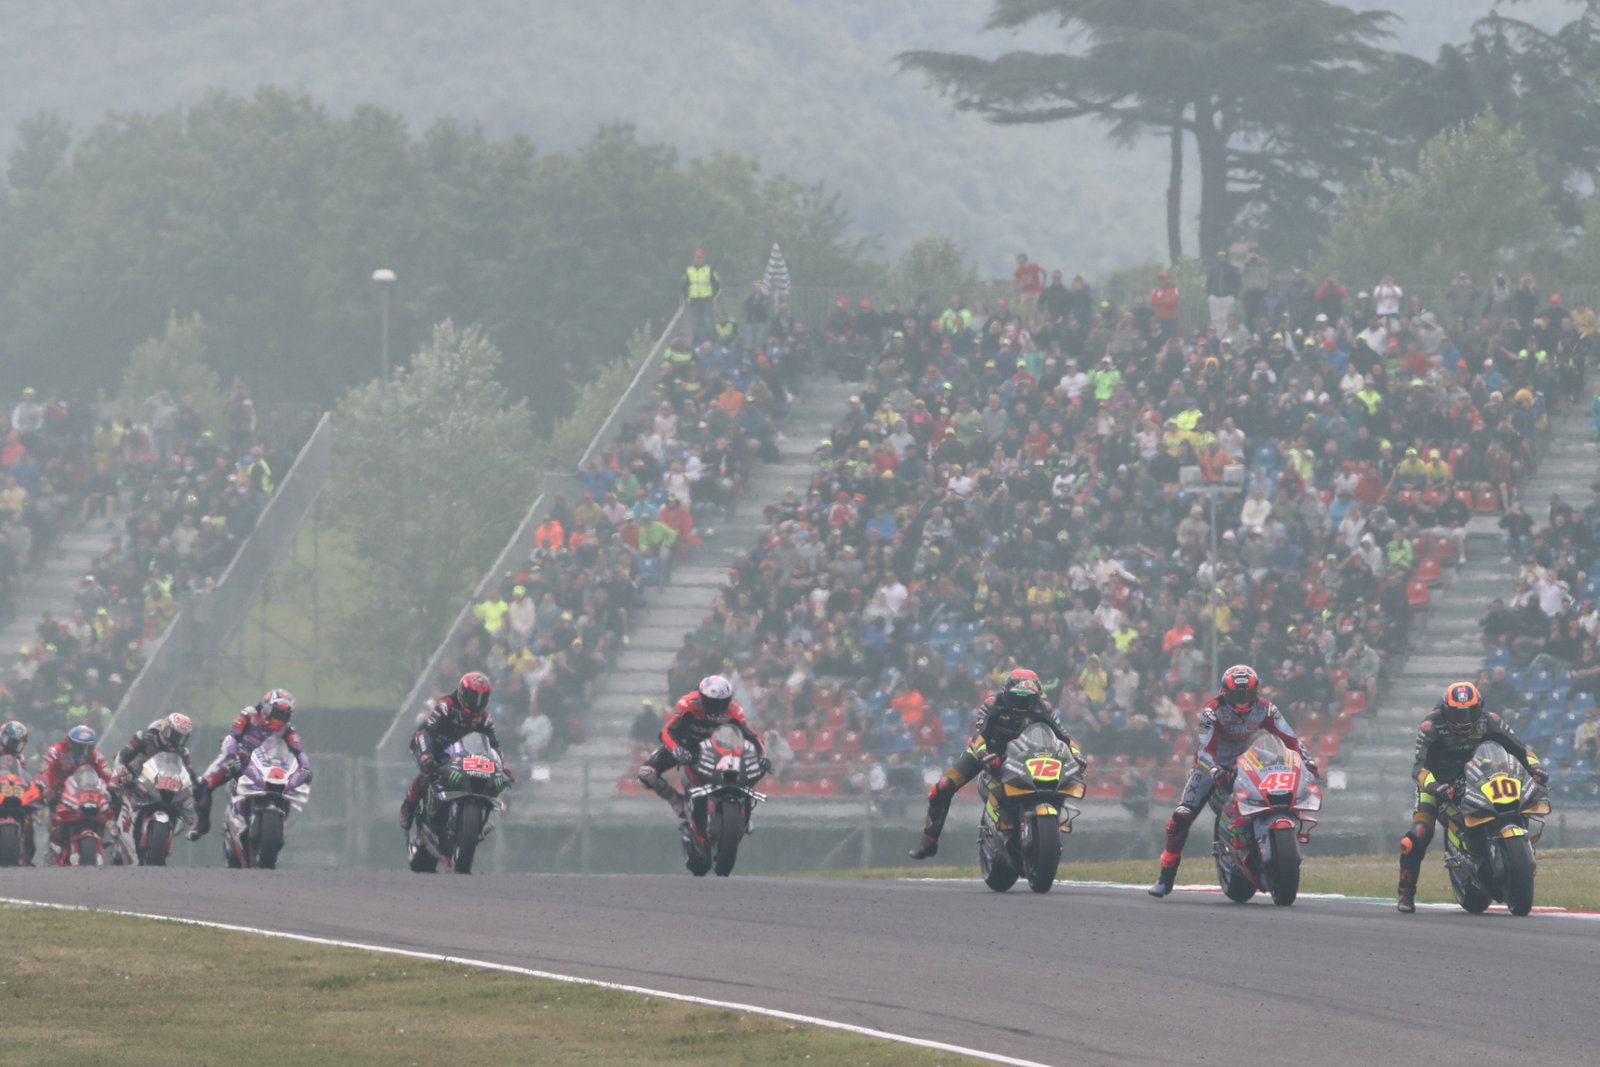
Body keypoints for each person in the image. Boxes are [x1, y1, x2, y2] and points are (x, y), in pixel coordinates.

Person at [1148, 664, 1318, 897]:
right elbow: (1204, 750)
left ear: (1256, 691)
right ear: (1224, 692)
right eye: (1236, 694)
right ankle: (1166, 876)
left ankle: (1264, 836)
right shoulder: (1211, 712)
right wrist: (1216, 771)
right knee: (1181, 816)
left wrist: (1307, 760)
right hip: (1211, 765)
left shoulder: (1266, 709)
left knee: (1278, 780)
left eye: (1247, 694)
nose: (1242, 700)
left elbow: (1290, 738)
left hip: (1247, 759)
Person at [1395, 681, 1546, 913]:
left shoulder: (1490, 720)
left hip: (1476, 773)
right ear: (1447, 710)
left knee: (1508, 797)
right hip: (1437, 782)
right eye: (1458, 713)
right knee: (1419, 834)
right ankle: (1406, 892)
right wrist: (1436, 787)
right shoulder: (1431, 725)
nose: (1465, 720)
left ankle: (1510, 845)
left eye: (1470, 712)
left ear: (1480, 708)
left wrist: (1535, 768)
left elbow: (1521, 749)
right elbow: (1419, 769)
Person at [909, 668, 1085, 859]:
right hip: (988, 751)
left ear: (1037, 698)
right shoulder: (993, 704)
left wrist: (1076, 755)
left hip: (1025, 754)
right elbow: (979, 735)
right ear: (1006, 693)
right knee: (942, 787)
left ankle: (1039, 826)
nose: (1022, 704)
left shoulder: (1043, 708)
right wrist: (984, 753)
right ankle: (929, 841)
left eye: (1028, 699)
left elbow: (1065, 737)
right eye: (1017, 698)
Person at [637, 674, 770, 832]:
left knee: (752, 768)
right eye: (711, 703)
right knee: (646, 774)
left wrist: (762, 756)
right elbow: (666, 732)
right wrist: (676, 749)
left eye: (720, 703)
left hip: (712, 750)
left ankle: (742, 812)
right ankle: (676, 802)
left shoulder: (735, 711)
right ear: (702, 697)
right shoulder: (687, 703)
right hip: (681, 746)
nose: (715, 708)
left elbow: (752, 737)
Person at [190, 689, 311, 840]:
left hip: (266, 765)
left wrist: (305, 769)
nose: (280, 720)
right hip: (240, 758)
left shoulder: (287, 730)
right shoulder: (249, 715)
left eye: (284, 716)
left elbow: (299, 752)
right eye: (277, 713)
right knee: (204, 784)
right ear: (266, 708)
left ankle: (279, 826)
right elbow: (233, 737)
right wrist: (233, 757)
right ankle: (201, 823)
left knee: (285, 789)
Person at [399, 671, 511, 830]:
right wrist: (426, 754)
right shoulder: (446, 706)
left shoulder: (484, 717)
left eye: (481, 697)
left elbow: (493, 744)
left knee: (476, 771)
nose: (477, 702)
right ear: (463, 693)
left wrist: (502, 766)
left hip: (457, 750)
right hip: (430, 742)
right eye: (474, 696)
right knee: (429, 773)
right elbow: (428, 731)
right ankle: (409, 805)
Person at [34, 725, 116, 859]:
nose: (85, 751)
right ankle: (52, 848)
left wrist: (114, 789)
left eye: (88, 747)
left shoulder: (95, 756)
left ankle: (112, 846)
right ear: (71, 743)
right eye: (80, 747)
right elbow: (45, 773)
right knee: (47, 819)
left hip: (87, 794)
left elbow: (109, 775)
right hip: (60, 794)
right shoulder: (56, 751)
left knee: (111, 810)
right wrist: (48, 790)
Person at [1, 720, 37, 864]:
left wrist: (33, 788)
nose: (12, 745)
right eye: (10, 741)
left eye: (17, 743)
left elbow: (24, 775)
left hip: (12, 793)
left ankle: (27, 859)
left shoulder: (19, 760)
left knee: (29, 820)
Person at [682, 248, 722, 346]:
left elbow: (718, 285)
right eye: (697, 258)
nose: (698, 260)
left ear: (703, 259)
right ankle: (697, 343)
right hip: (694, 301)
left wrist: (713, 298)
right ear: (694, 259)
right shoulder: (689, 270)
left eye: (700, 258)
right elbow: (683, 285)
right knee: (695, 323)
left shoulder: (709, 269)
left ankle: (710, 342)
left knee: (708, 322)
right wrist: (685, 299)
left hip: (706, 300)